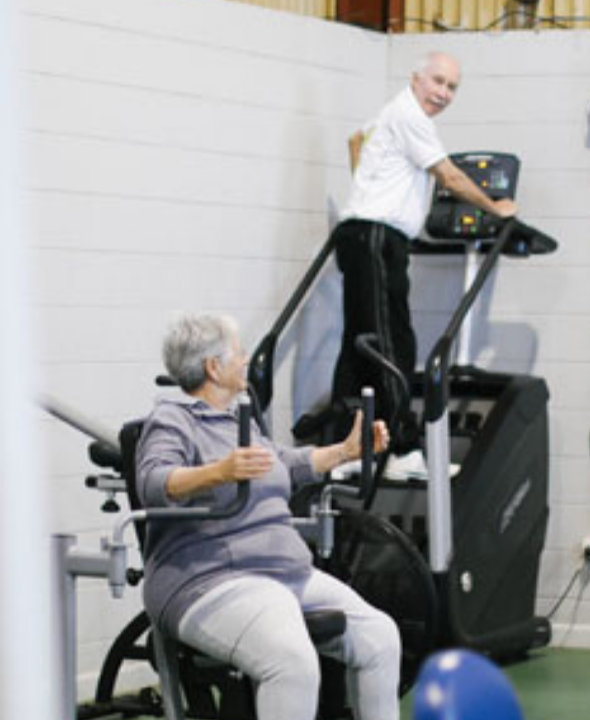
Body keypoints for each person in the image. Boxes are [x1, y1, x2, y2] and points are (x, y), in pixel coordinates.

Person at [136, 312, 401, 720]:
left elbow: (284, 463)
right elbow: (153, 481)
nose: (245, 360)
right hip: (209, 579)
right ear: (214, 367)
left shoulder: (239, 419)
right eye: (239, 352)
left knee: (380, 636)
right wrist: (218, 472)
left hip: (282, 573)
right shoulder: (173, 419)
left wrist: (346, 451)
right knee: (292, 664)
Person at [330, 50, 518, 477]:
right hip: (376, 237)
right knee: (392, 343)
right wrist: (495, 208)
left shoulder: (389, 114)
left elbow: (355, 141)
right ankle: (402, 449)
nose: (443, 93)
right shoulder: (410, 116)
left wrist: (366, 187)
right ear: (416, 79)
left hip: (366, 234)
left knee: (358, 347)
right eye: (438, 82)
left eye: (452, 87)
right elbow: (449, 177)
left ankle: (345, 451)